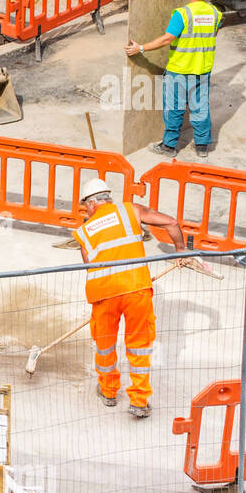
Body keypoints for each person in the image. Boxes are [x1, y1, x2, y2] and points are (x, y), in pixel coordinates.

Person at [73, 178, 187, 419]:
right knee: (139, 346)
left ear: (92, 204)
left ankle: (108, 392)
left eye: (85, 207)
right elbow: (171, 222)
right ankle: (139, 400)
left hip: (104, 294)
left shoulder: (83, 232)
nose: (86, 211)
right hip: (136, 289)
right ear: (107, 198)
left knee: (104, 346)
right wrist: (180, 251)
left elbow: (90, 267)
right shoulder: (130, 210)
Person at [124, 0, 222, 159]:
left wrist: (141, 48)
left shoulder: (182, 14)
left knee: (174, 108)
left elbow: (168, 38)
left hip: (180, 69)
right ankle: (202, 146)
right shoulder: (216, 14)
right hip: (202, 69)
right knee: (199, 107)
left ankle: (169, 146)